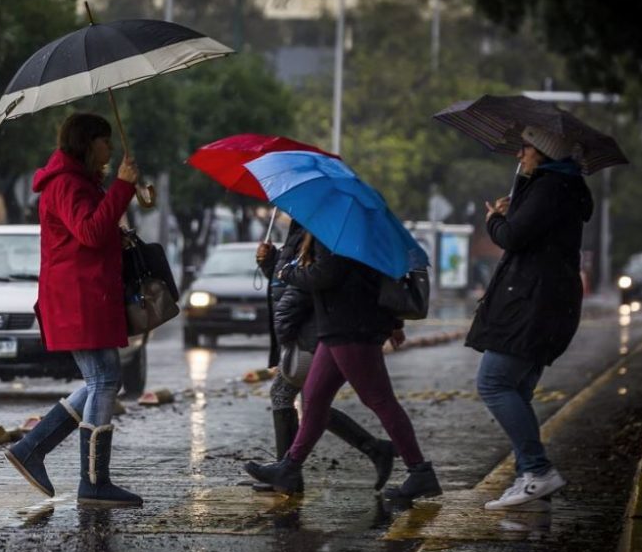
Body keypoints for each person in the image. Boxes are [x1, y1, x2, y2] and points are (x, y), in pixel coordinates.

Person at [5, 112, 142, 506]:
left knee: (103, 377)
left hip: (85, 295)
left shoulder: (79, 183)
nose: (111, 148)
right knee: (104, 379)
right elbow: (90, 232)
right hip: (78, 298)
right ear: (87, 143)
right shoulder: (66, 184)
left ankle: (34, 448)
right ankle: (93, 482)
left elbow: (95, 230)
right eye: (104, 141)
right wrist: (121, 187)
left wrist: (123, 192)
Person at [244, 234, 441, 500]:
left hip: (352, 325)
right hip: (338, 324)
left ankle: (420, 472)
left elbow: (324, 274)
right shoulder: (343, 230)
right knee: (314, 398)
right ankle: (289, 467)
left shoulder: (335, 233)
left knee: (380, 400)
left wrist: (283, 269)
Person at [467, 125, 594, 510]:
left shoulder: (551, 188)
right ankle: (529, 477)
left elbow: (513, 238)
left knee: (493, 382)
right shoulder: (556, 188)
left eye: (525, 149)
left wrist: (494, 219)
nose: (519, 156)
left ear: (542, 152)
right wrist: (519, 197)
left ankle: (537, 471)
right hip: (545, 301)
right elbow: (528, 233)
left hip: (535, 303)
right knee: (517, 390)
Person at [254, 222, 396, 492]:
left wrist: (287, 321)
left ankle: (288, 472)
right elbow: (287, 279)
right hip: (310, 327)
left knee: (289, 396)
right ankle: (374, 449)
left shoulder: (318, 230)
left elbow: (314, 278)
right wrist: (269, 261)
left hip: (315, 327)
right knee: (312, 402)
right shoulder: (299, 230)